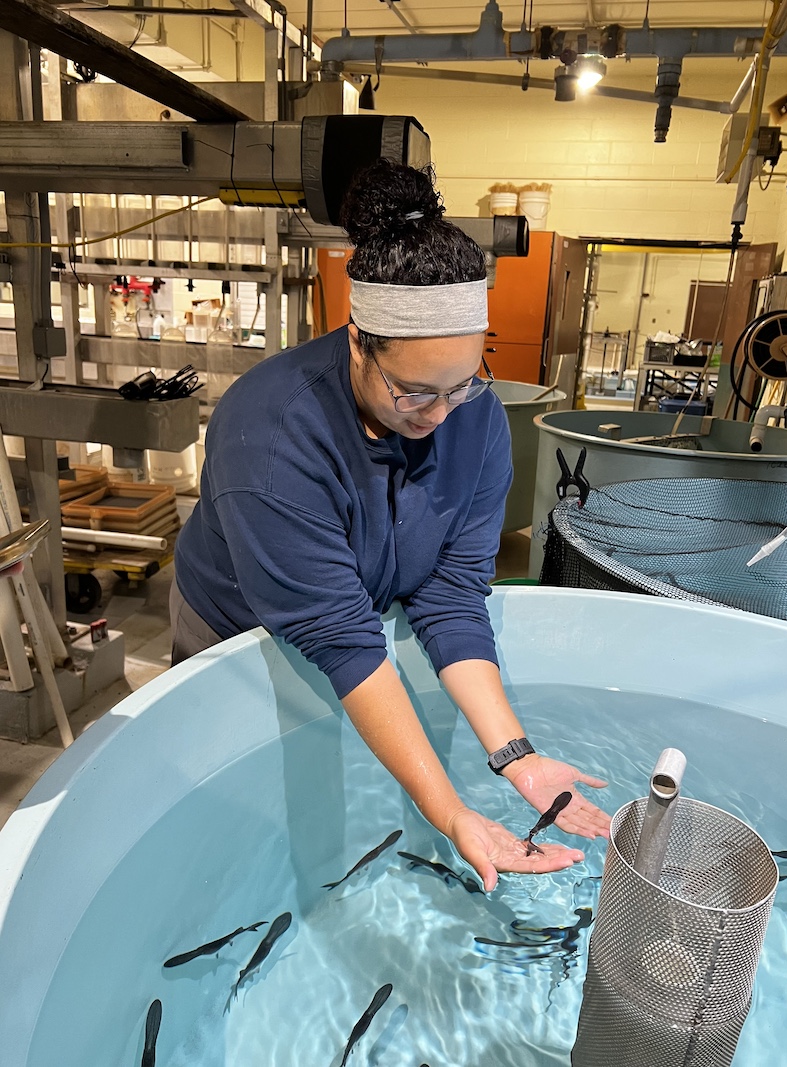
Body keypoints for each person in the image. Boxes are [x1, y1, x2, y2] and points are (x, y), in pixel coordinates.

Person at [171, 158, 610, 891]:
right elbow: (340, 636)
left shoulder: (475, 417)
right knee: (237, 820)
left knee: (332, 787)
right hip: (237, 630)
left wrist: (517, 757)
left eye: (461, 384)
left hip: (348, 633)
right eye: (413, 392)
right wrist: (452, 812)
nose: (439, 414)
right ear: (357, 341)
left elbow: (450, 592)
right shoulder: (272, 436)